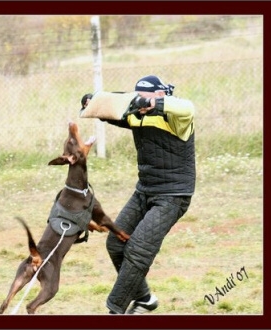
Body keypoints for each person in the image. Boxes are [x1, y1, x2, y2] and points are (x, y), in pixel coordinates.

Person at [81, 75, 195, 314]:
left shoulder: (179, 116)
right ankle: (145, 299)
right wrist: (94, 103)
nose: (140, 101)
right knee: (116, 242)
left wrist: (156, 104)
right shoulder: (138, 114)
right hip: (145, 191)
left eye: (146, 96)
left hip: (173, 195)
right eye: (138, 96)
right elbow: (116, 109)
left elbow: (187, 107)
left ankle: (115, 310)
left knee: (137, 250)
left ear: (161, 95)